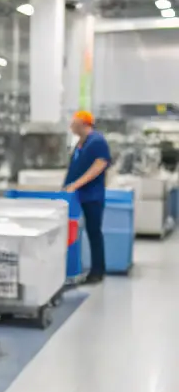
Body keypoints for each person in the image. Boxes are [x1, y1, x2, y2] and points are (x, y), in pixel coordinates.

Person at [63, 110, 111, 284]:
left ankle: (97, 271)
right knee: (82, 232)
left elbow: (99, 165)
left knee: (94, 232)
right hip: (79, 195)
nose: (71, 126)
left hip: (92, 196)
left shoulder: (97, 141)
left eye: (74, 123)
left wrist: (76, 184)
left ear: (84, 124)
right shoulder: (81, 143)